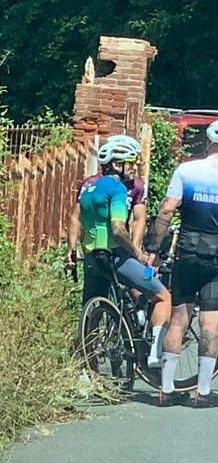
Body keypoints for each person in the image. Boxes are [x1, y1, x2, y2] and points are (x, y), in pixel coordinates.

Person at [152, 120, 218, 406]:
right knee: (209, 322)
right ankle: (203, 392)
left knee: (179, 320)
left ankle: (167, 390)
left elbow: (166, 209)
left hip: (187, 252)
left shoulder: (186, 170)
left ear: (207, 143)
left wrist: (153, 247)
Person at [70, 134, 173, 366]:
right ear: (117, 164)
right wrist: (138, 253)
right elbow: (118, 228)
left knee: (91, 310)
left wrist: (71, 249)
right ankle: (156, 354)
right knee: (162, 295)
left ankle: (86, 369)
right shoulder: (117, 188)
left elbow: (75, 219)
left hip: (91, 256)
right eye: (131, 162)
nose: (135, 167)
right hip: (118, 256)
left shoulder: (88, 187)